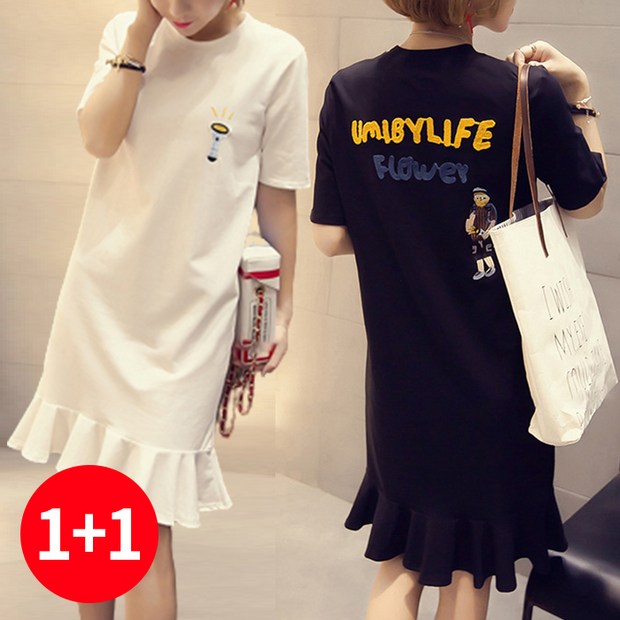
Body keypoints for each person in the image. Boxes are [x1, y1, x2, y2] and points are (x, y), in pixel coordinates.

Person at [8, 1, 309, 618]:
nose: (179, 8)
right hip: (100, 303)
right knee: (92, 500)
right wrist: (142, 33)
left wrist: (281, 309)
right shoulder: (128, 32)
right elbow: (98, 139)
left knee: (145, 518)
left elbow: (277, 199)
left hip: (191, 320)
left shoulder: (278, 58)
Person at [311, 1, 607, 619]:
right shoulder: (523, 92)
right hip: (492, 382)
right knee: (467, 569)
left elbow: (330, 236)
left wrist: (405, 229)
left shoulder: (349, 91)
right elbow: (587, 201)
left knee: (399, 561)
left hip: (399, 382)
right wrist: (579, 96)